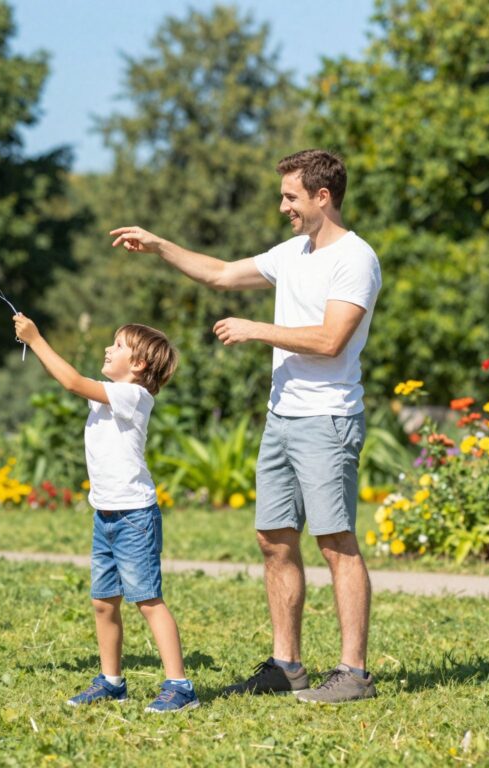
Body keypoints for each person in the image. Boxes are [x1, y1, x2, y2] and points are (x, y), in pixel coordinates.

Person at [109, 149, 381, 704]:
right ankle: (287, 666)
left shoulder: (354, 259)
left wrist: (259, 329)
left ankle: (353, 672)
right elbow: (221, 274)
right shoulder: (295, 251)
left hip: (327, 416)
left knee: (335, 542)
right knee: (274, 540)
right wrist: (158, 244)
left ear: (322, 196)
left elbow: (332, 341)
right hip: (282, 416)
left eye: (290, 196)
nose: (283, 205)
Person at [13, 312, 199, 713]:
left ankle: (180, 686)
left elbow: (72, 382)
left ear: (139, 365)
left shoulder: (133, 396)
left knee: (148, 599)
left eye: (117, 346)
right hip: (107, 516)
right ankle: (112, 682)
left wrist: (36, 339)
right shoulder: (113, 393)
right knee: (103, 601)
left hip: (134, 517)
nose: (106, 348)